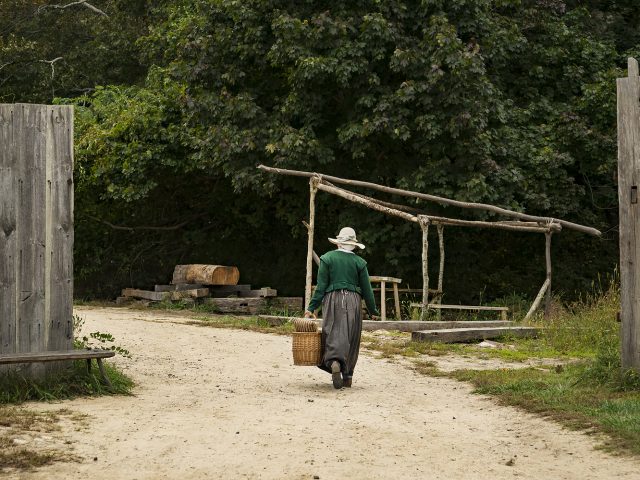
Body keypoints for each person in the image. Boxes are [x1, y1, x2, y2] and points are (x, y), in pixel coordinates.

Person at [304, 227, 380, 389]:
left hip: (332, 299)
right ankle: (348, 376)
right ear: (353, 244)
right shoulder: (360, 263)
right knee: (351, 335)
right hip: (353, 300)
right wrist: (373, 311)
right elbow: (367, 289)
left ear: (338, 243)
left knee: (332, 331)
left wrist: (311, 308)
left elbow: (321, 287)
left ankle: (334, 361)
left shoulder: (327, 258)